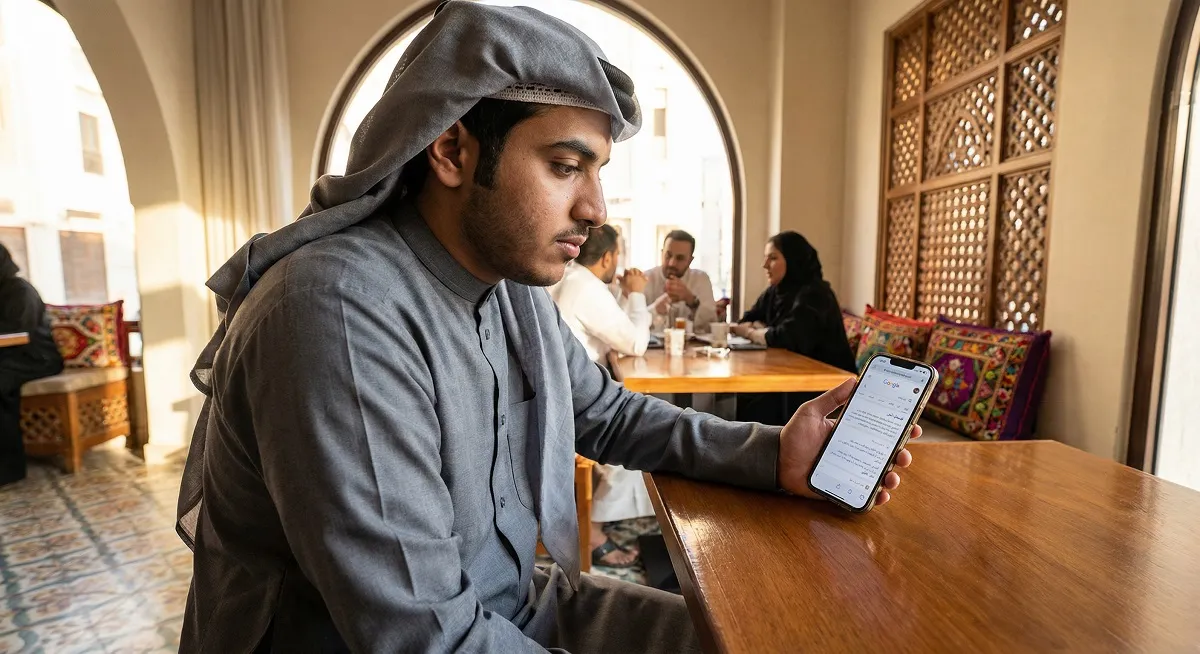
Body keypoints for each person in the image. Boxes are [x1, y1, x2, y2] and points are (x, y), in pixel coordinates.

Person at [175, 3, 919, 652]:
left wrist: (775, 457)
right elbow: (423, 636)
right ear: (453, 150)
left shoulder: (506, 286)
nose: (595, 208)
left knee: (769, 636)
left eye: (596, 173)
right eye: (567, 165)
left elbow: (605, 411)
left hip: (517, 606)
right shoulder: (335, 315)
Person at [550, 224, 653, 569]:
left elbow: (612, 329)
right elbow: (634, 343)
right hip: (568, 406)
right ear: (608, 257)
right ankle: (593, 532)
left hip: (558, 395)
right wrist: (637, 293)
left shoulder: (571, 277)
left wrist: (625, 294)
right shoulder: (585, 287)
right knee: (636, 442)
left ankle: (595, 517)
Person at [733, 231, 858, 425]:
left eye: (773, 258)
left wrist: (752, 332)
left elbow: (786, 337)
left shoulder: (816, 294)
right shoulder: (776, 291)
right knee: (741, 400)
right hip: (789, 377)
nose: (764, 265)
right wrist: (762, 331)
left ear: (793, 260)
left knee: (755, 406)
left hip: (827, 385)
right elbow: (746, 319)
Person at [0, 245, 64, 485]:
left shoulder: (19, 290)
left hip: (38, 359)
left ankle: (11, 466)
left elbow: (18, 333)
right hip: (11, 358)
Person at [644, 230, 718, 328]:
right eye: (668, 255)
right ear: (662, 253)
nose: (672, 263)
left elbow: (711, 324)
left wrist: (691, 300)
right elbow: (632, 324)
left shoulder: (701, 279)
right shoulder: (646, 279)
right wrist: (655, 309)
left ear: (690, 260)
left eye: (680, 258)